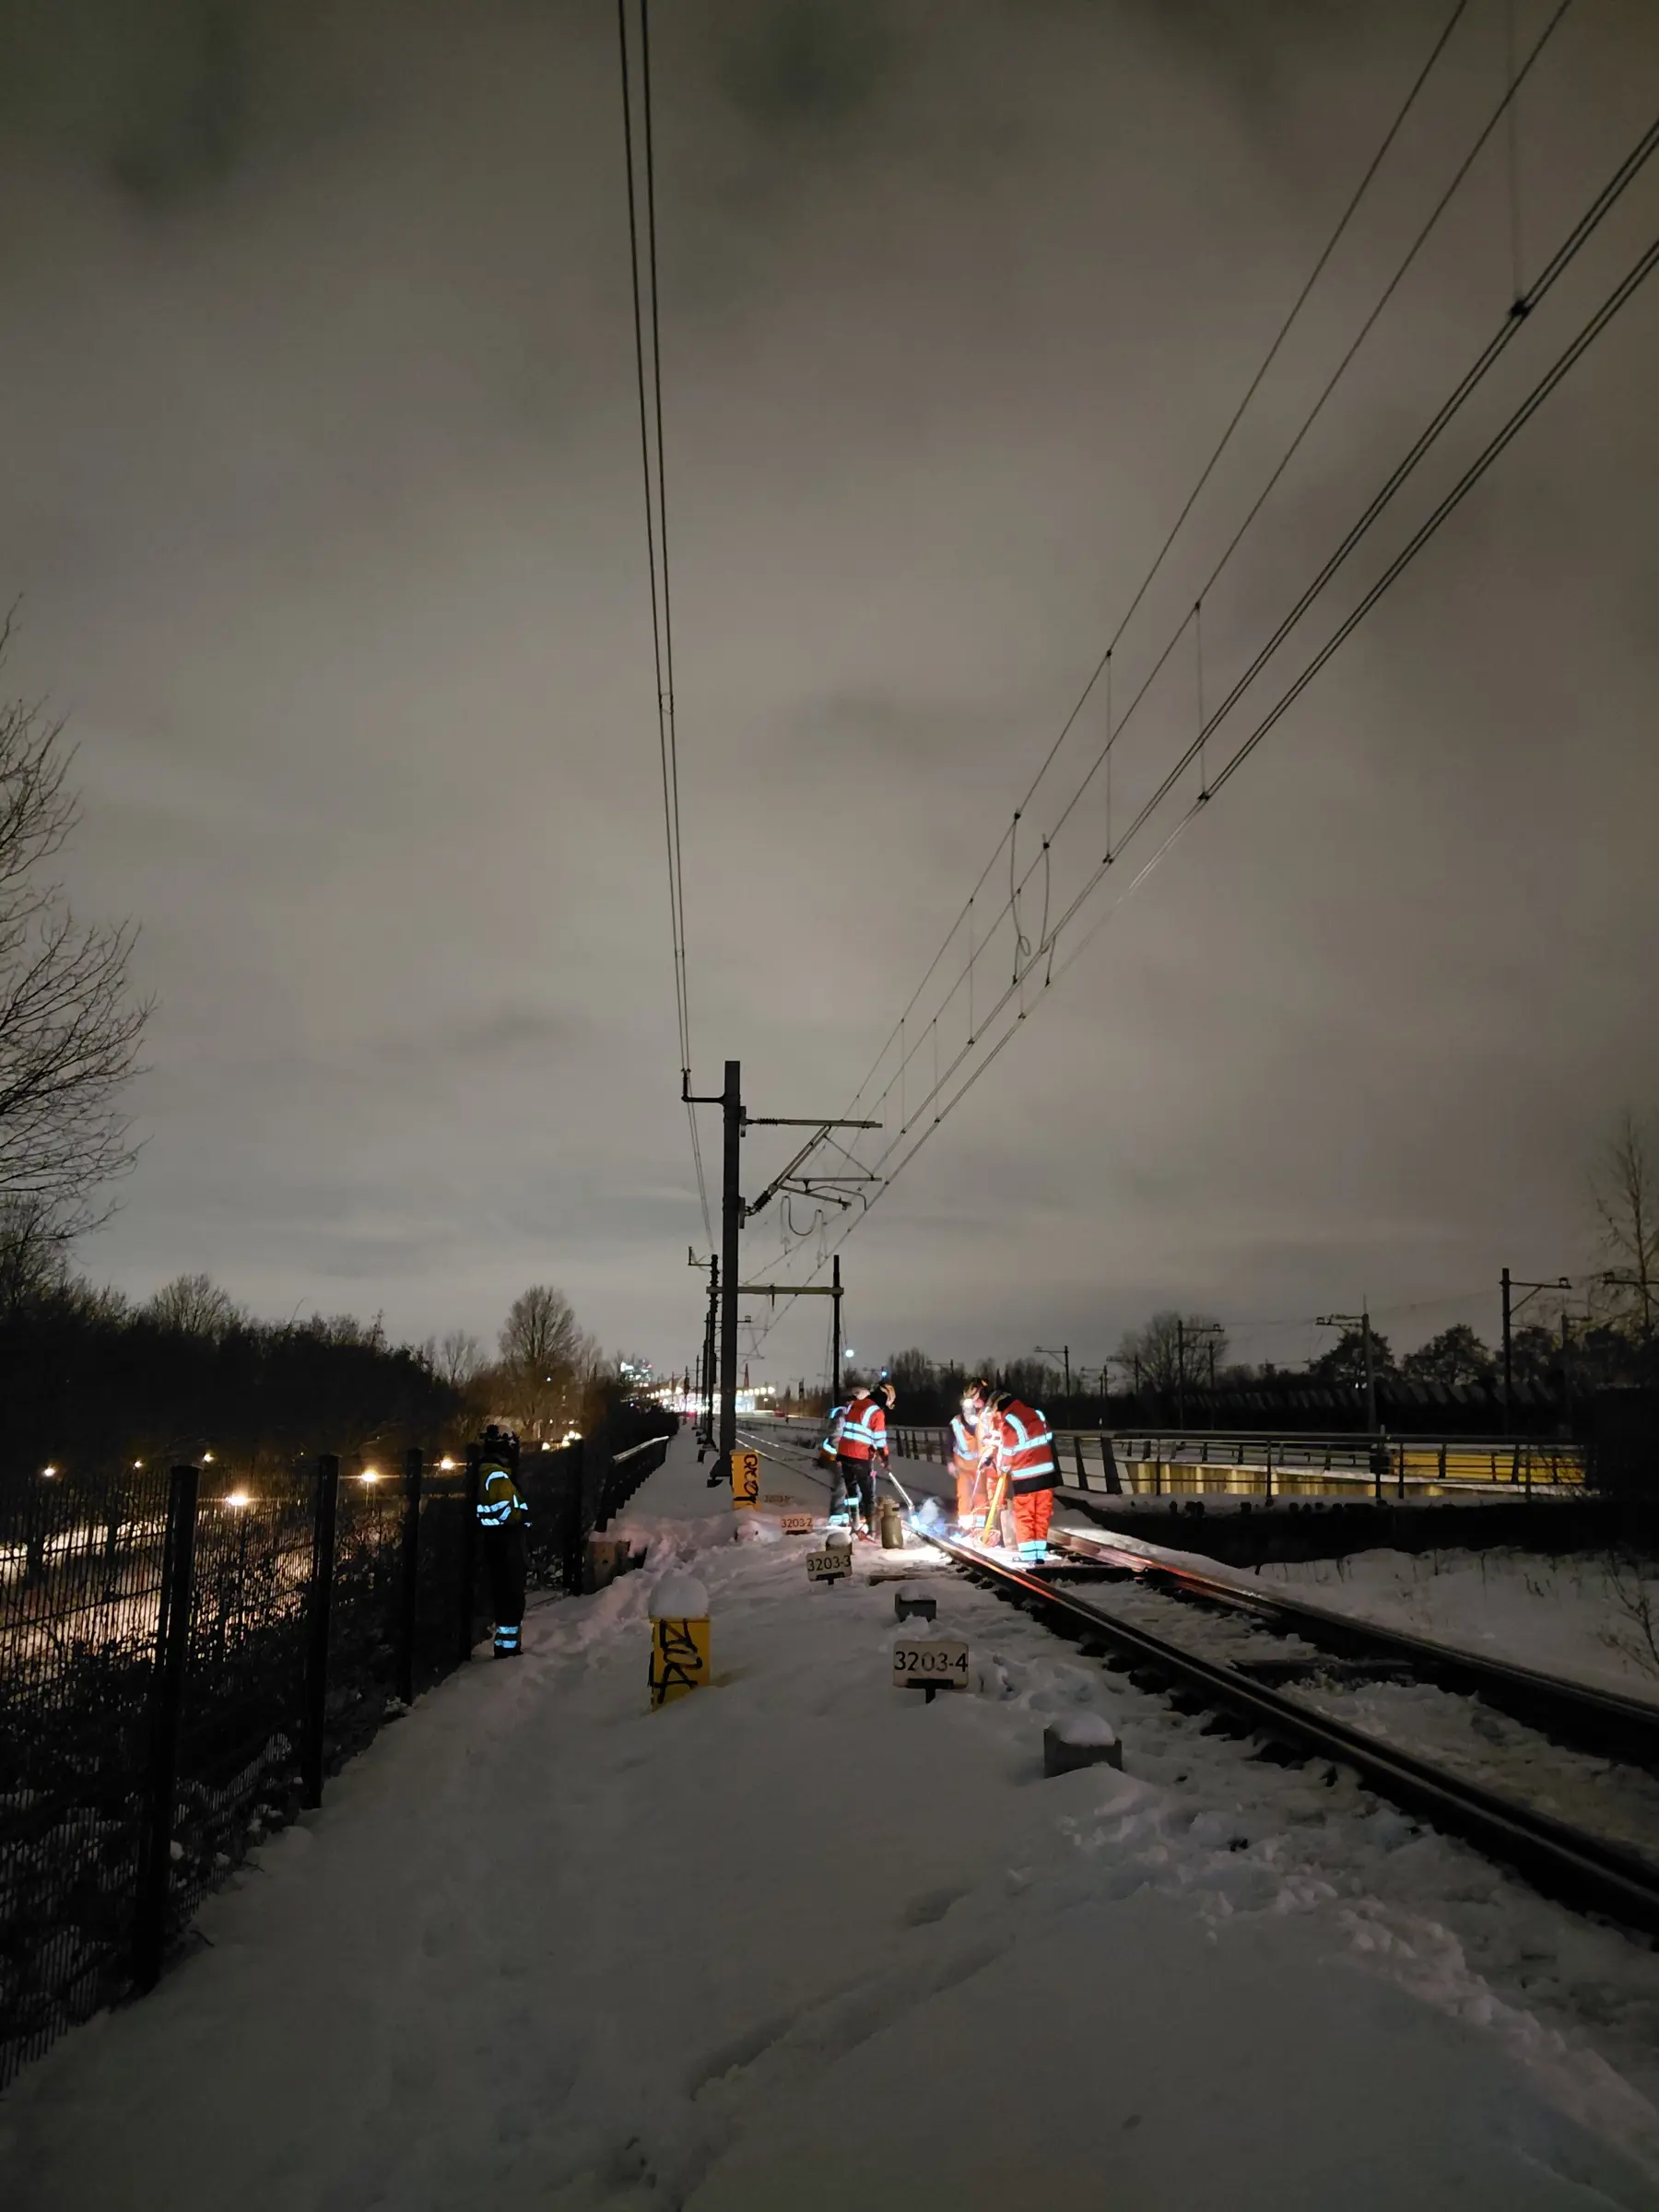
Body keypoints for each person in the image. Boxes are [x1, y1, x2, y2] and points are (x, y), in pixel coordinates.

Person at [967, 1382, 1059, 1565]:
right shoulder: (1036, 1414)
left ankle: (1027, 1556)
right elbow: (1047, 1438)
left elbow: (1007, 1455)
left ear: (998, 1408)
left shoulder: (1009, 1422)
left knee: (1025, 1516)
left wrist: (999, 1466)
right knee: (1042, 1516)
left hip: (1026, 1478)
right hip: (1047, 1475)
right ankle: (1039, 1555)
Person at [474, 1424, 530, 1656]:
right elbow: (506, 1511)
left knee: (508, 1595)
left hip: (500, 1540)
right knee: (510, 1595)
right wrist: (521, 1517)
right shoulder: (497, 1475)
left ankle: (508, 1644)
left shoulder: (493, 1473)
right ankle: (507, 1647)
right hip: (505, 1541)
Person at [833, 1381, 895, 1540]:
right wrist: (885, 1459)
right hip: (860, 1457)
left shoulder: (855, 1405)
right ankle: (872, 1532)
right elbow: (880, 1440)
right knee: (869, 1496)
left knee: (852, 1492)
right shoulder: (877, 1413)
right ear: (885, 1398)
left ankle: (855, 1526)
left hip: (844, 1454)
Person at [949, 1384, 987, 1532]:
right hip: (963, 1467)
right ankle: (965, 1526)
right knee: (964, 1496)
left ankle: (980, 1526)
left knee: (981, 1496)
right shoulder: (956, 1423)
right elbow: (949, 1442)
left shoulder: (983, 1419)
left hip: (980, 1466)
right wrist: (950, 1462)